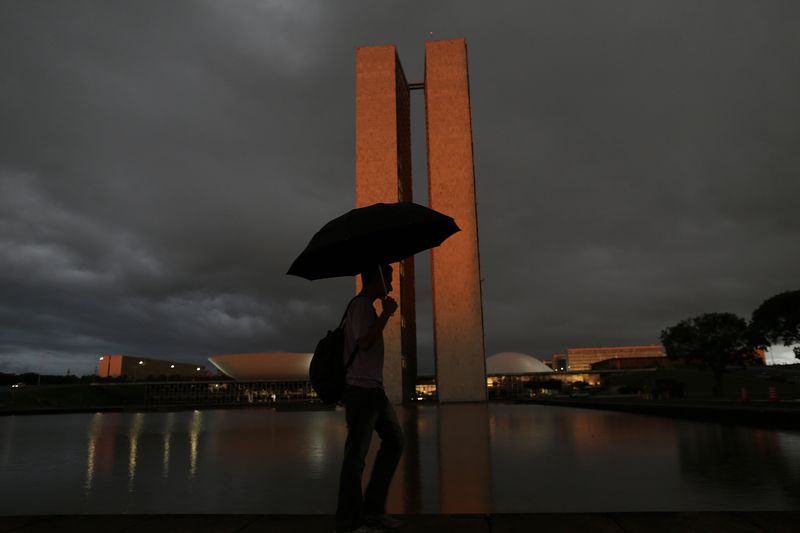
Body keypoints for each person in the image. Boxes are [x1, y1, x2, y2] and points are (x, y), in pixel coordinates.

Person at [335, 264, 404, 533]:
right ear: (376, 279)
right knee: (355, 458)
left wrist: (382, 314)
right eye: (388, 279)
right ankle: (349, 523)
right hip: (360, 392)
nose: (392, 284)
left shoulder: (367, 307)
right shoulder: (362, 306)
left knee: (395, 442)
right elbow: (364, 342)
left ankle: (373, 511)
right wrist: (386, 315)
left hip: (374, 392)